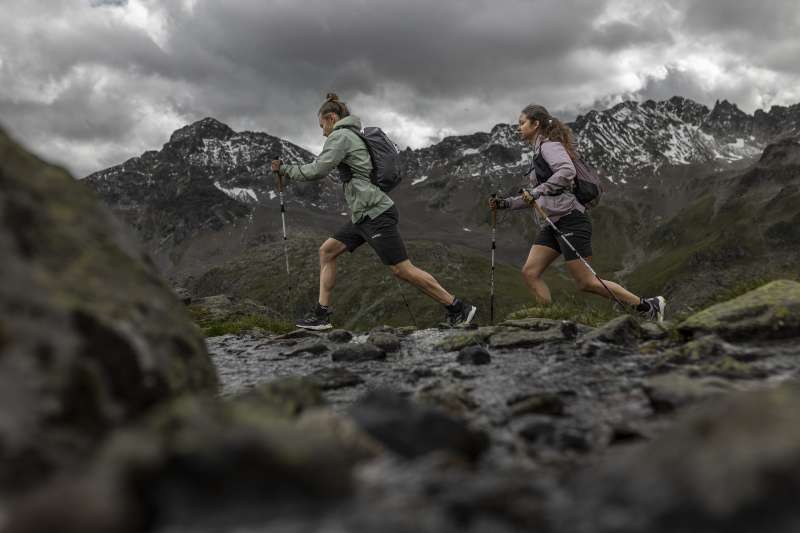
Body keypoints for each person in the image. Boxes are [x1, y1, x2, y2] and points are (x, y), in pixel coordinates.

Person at [272, 93, 477, 330]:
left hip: (374, 213)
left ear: (331, 118)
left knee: (402, 269)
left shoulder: (341, 136)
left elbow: (317, 170)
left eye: (322, 126)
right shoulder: (352, 135)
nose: (323, 133)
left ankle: (458, 308)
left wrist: (285, 169)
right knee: (327, 252)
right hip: (362, 215)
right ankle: (321, 315)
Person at [489, 104, 666, 321]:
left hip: (571, 220)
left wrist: (537, 191)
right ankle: (547, 320)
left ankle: (649, 306)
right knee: (530, 273)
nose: (518, 128)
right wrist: (506, 204)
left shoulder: (549, 146)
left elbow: (566, 171)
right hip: (552, 224)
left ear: (535, 124)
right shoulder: (537, 153)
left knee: (586, 282)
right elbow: (537, 196)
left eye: (522, 123)